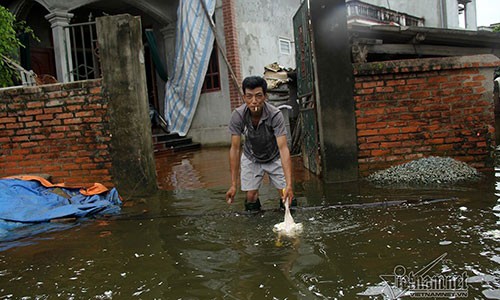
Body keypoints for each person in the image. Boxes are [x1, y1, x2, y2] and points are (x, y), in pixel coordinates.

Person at [225, 76, 295, 211]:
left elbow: (283, 148)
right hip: (251, 156)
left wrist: (290, 184)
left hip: (274, 156)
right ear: (244, 97)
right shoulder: (238, 115)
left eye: (258, 96)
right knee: (251, 197)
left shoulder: (275, 115)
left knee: (286, 196)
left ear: (265, 97)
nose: (254, 102)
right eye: (249, 97)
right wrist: (233, 184)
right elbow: (234, 149)